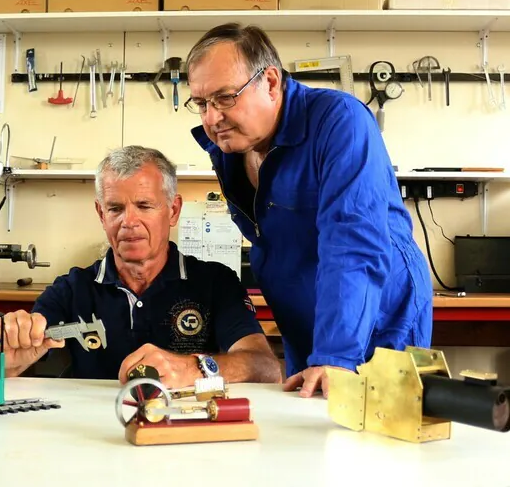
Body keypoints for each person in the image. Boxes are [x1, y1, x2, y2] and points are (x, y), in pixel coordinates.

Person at [184, 23, 433, 398]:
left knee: (382, 432)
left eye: (224, 98)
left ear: (269, 82)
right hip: (306, 319)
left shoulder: (340, 121)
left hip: (376, 316)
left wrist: (336, 353)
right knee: (309, 437)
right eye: (201, 103)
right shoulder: (234, 146)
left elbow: (353, 242)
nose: (210, 118)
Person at [0, 145, 281, 388]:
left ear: (173, 210)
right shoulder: (71, 290)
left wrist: (192, 368)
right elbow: (2, 368)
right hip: (92, 437)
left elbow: (265, 368)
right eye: (115, 208)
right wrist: (9, 360)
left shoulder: (215, 282)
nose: (128, 222)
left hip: (186, 436)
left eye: (144, 206)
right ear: (101, 214)